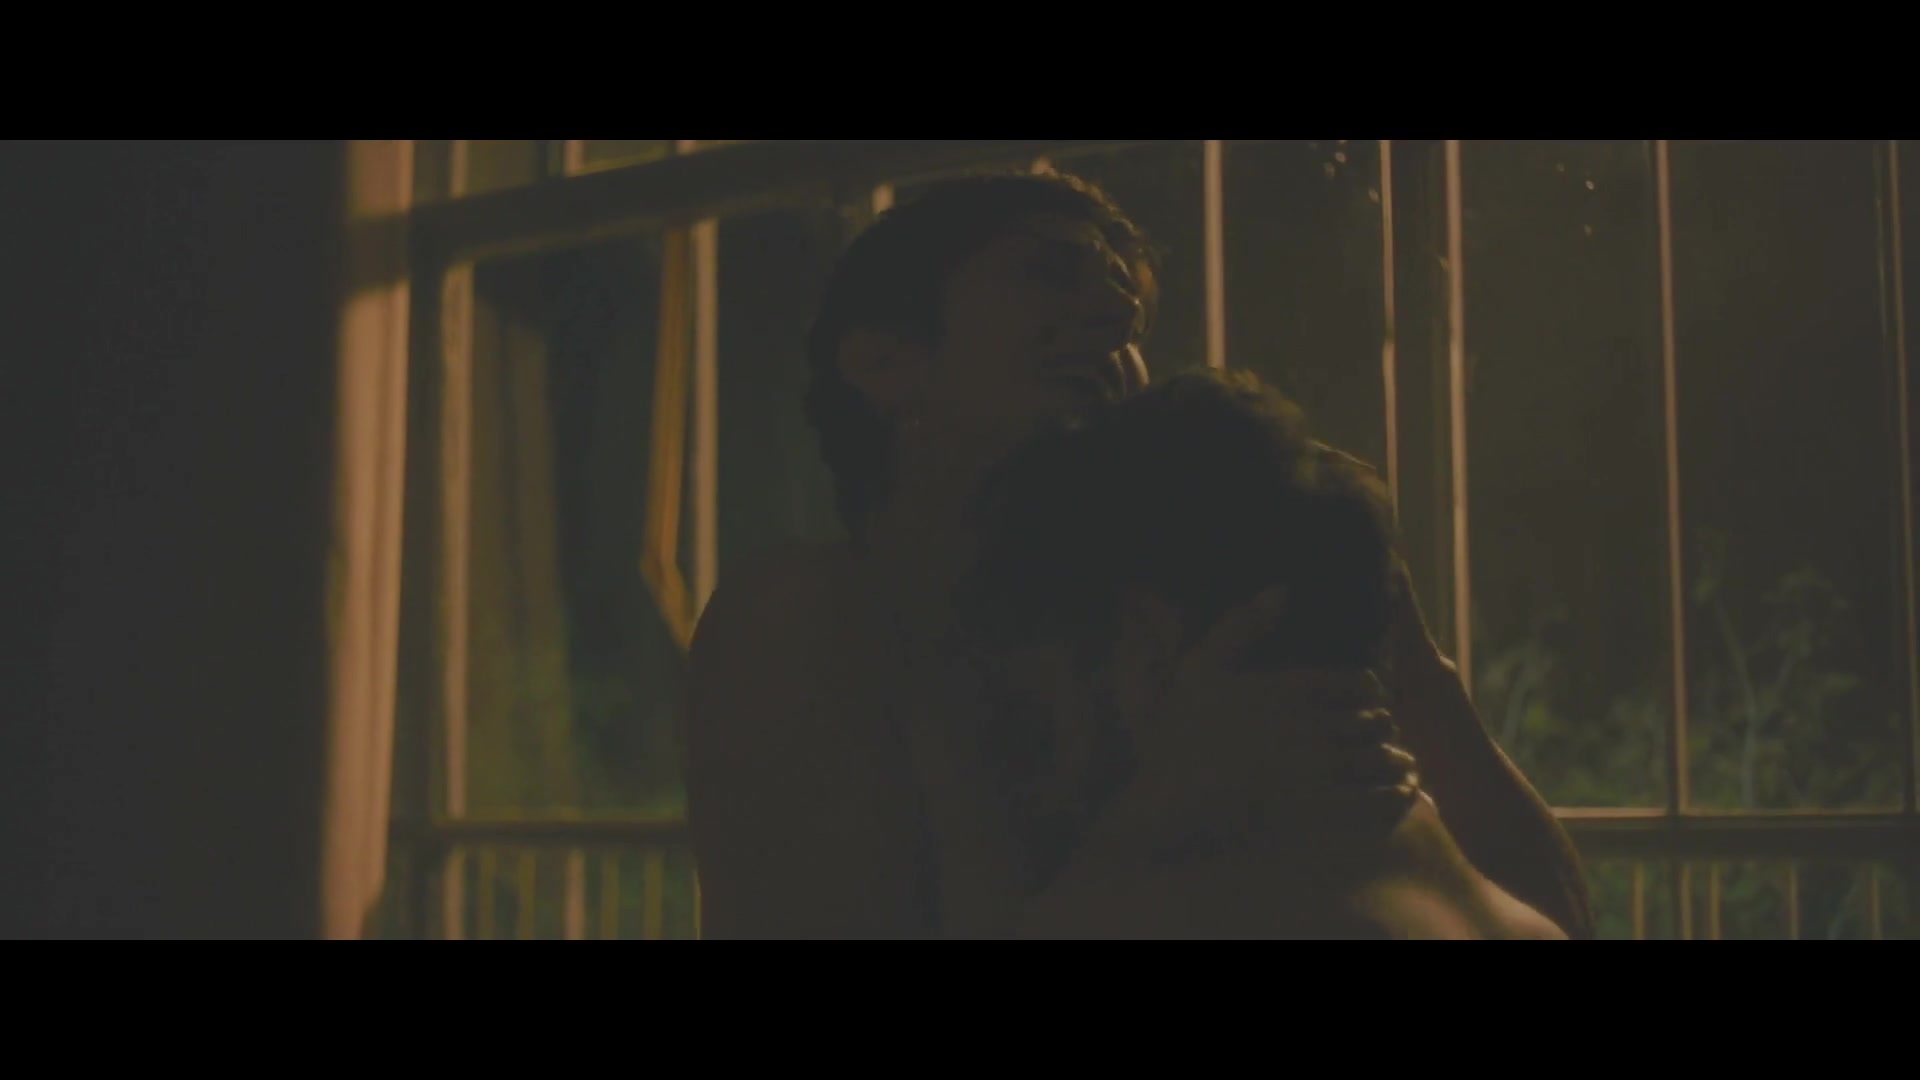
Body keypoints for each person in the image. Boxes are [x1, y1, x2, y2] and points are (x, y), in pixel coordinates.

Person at [685, 169, 1592, 939]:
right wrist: (1167, 812)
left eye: (1132, 321)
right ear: (886, 362)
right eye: (1049, 274)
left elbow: (1552, 919)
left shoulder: (1163, 644)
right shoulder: (810, 614)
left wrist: (1395, 635)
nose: (1118, 315)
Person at [933, 367, 1568, 937]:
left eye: (1051, 691)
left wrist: (1143, 821)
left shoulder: (1170, 904)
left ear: (1148, 636)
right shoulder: (1493, 900)